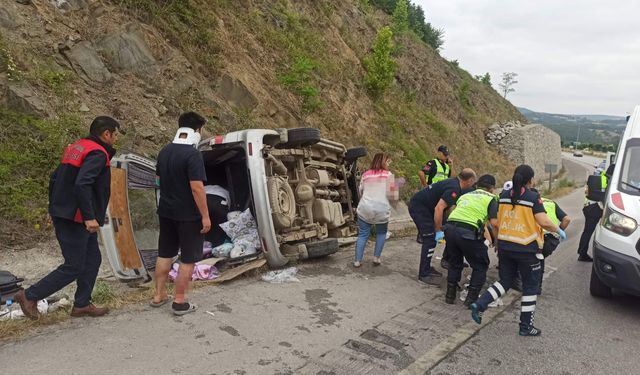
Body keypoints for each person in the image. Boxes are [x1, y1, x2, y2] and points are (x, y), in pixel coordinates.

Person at [15, 117, 121, 319]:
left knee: (92, 259)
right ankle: (29, 295)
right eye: (115, 134)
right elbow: (82, 184)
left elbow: (55, 178)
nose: (116, 139)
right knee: (74, 265)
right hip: (77, 218)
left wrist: (53, 206)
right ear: (106, 134)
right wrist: (89, 216)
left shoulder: (78, 147)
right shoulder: (98, 154)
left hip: (67, 212)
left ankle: (82, 304)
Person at [470, 165, 567, 336]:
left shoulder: (504, 196)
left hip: (506, 246)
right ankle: (525, 326)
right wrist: (558, 230)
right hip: (527, 248)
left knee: (505, 281)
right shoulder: (532, 197)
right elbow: (543, 221)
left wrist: (499, 242)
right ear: (530, 180)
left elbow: (499, 221)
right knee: (531, 287)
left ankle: (480, 304)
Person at [151, 112, 210, 316]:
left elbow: (158, 181)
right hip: (188, 216)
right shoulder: (192, 155)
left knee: (165, 253)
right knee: (188, 258)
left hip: (166, 212)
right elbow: (197, 188)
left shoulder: (164, 151)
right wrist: (205, 216)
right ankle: (179, 301)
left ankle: (158, 296)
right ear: (197, 130)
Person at [409, 169, 477, 286]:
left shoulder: (454, 183)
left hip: (425, 207)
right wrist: (438, 229)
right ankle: (423, 274)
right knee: (430, 239)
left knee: (431, 240)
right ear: (470, 180)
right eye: (473, 182)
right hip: (419, 208)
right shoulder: (454, 189)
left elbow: (446, 208)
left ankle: (427, 267)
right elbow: (439, 208)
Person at [444, 175, 498, 306]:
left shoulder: (466, 195)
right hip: (467, 232)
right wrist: (496, 240)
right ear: (491, 188)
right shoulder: (492, 198)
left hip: (450, 228)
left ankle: (450, 295)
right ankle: (471, 299)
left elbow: (453, 210)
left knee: (454, 262)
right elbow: (494, 223)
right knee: (480, 265)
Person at [353, 153, 398, 267]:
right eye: (387, 162)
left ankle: (357, 261)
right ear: (383, 162)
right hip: (381, 209)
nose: (388, 164)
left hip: (365, 208)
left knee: (363, 234)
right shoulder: (389, 175)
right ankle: (376, 258)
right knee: (381, 233)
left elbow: (360, 192)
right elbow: (393, 196)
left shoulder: (365, 175)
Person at [530, 188, 571, 294]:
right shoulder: (551, 202)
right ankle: (537, 287)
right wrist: (559, 231)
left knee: (531, 259)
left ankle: (530, 286)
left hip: (536, 237)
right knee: (540, 258)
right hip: (551, 239)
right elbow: (566, 219)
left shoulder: (528, 202)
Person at [576, 163, 614, 262]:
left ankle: (582, 252)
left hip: (588, 207)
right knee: (604, 232)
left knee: (587, 231)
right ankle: (583, 254)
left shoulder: (600, 177)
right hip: (595, 209)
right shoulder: (610, 182)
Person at [204, 184, 231, 248]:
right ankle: (218, 248)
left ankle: (206, 248)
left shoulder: (205, 188)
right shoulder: (226, 191)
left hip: (202, 200)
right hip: (220, 201)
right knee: (219, 232)